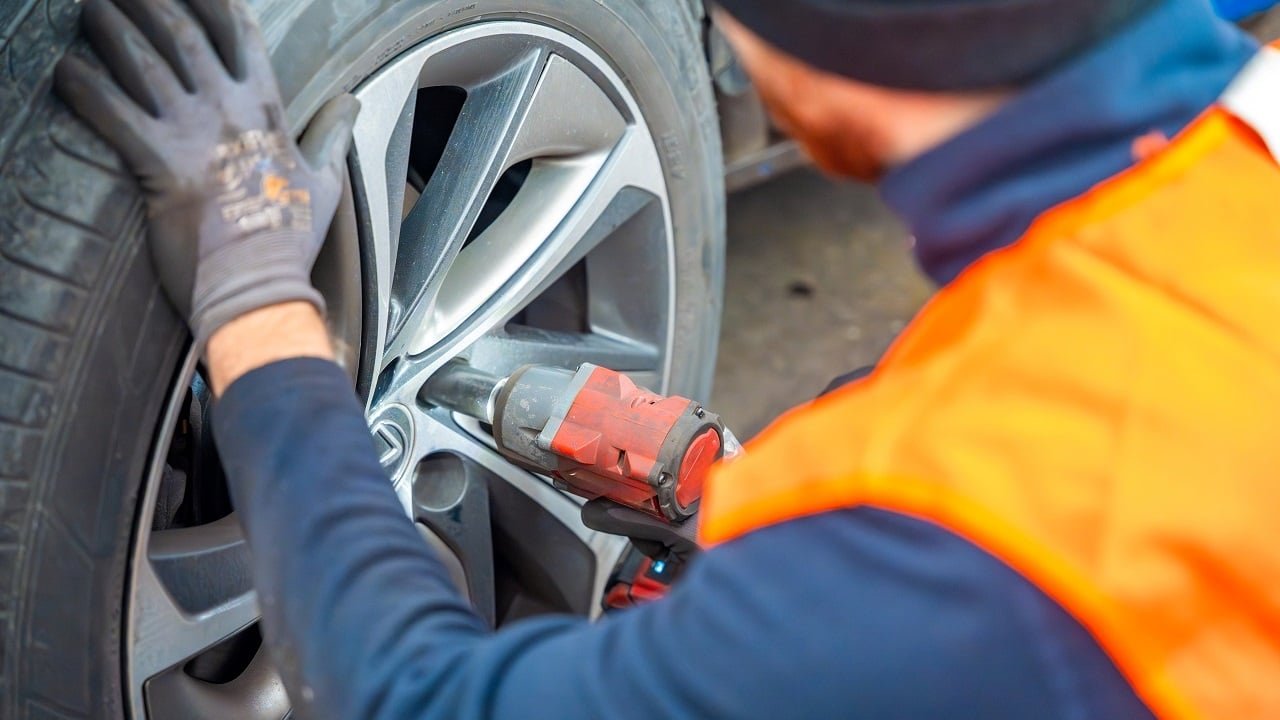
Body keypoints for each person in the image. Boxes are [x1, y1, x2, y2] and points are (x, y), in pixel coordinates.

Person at [52, 0, 1280, 716]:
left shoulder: (953, 572)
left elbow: (423, 699)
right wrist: (755, 499)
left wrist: (259, 297)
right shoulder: (1239, 150)